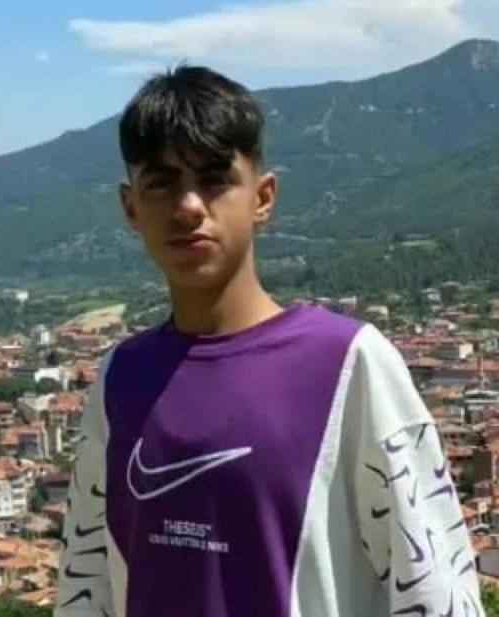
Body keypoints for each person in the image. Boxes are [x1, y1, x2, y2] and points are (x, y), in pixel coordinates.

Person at [56, 66, 483, 617]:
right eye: (162, 182)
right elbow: (86, 581)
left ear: (263, 197)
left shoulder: (349, 364)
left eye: (214, 179)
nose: (188, 206)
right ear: (131, 206)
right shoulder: (120, 378)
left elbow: (434, 590)